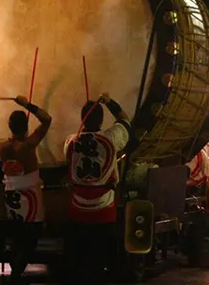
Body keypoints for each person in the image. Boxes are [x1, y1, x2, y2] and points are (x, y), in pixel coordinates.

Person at [63, 94, 130, 285]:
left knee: (79, 253)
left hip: (78, 205)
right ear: (101, 120)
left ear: (81, 119)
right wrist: (109, 101)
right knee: (101, 251)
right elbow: (125, 120)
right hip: (103, 205)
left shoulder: (70, 141)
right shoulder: (111, 138)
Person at [0, 95, 52, 282]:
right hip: (29, 196)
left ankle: (15, 271)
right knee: (31, 236)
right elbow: (47, 120)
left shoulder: (1, 145)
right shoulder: (28, 146)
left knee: (17, 235)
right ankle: (16, 274)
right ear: (26, 126)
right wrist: (27, 104)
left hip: (10, 194)